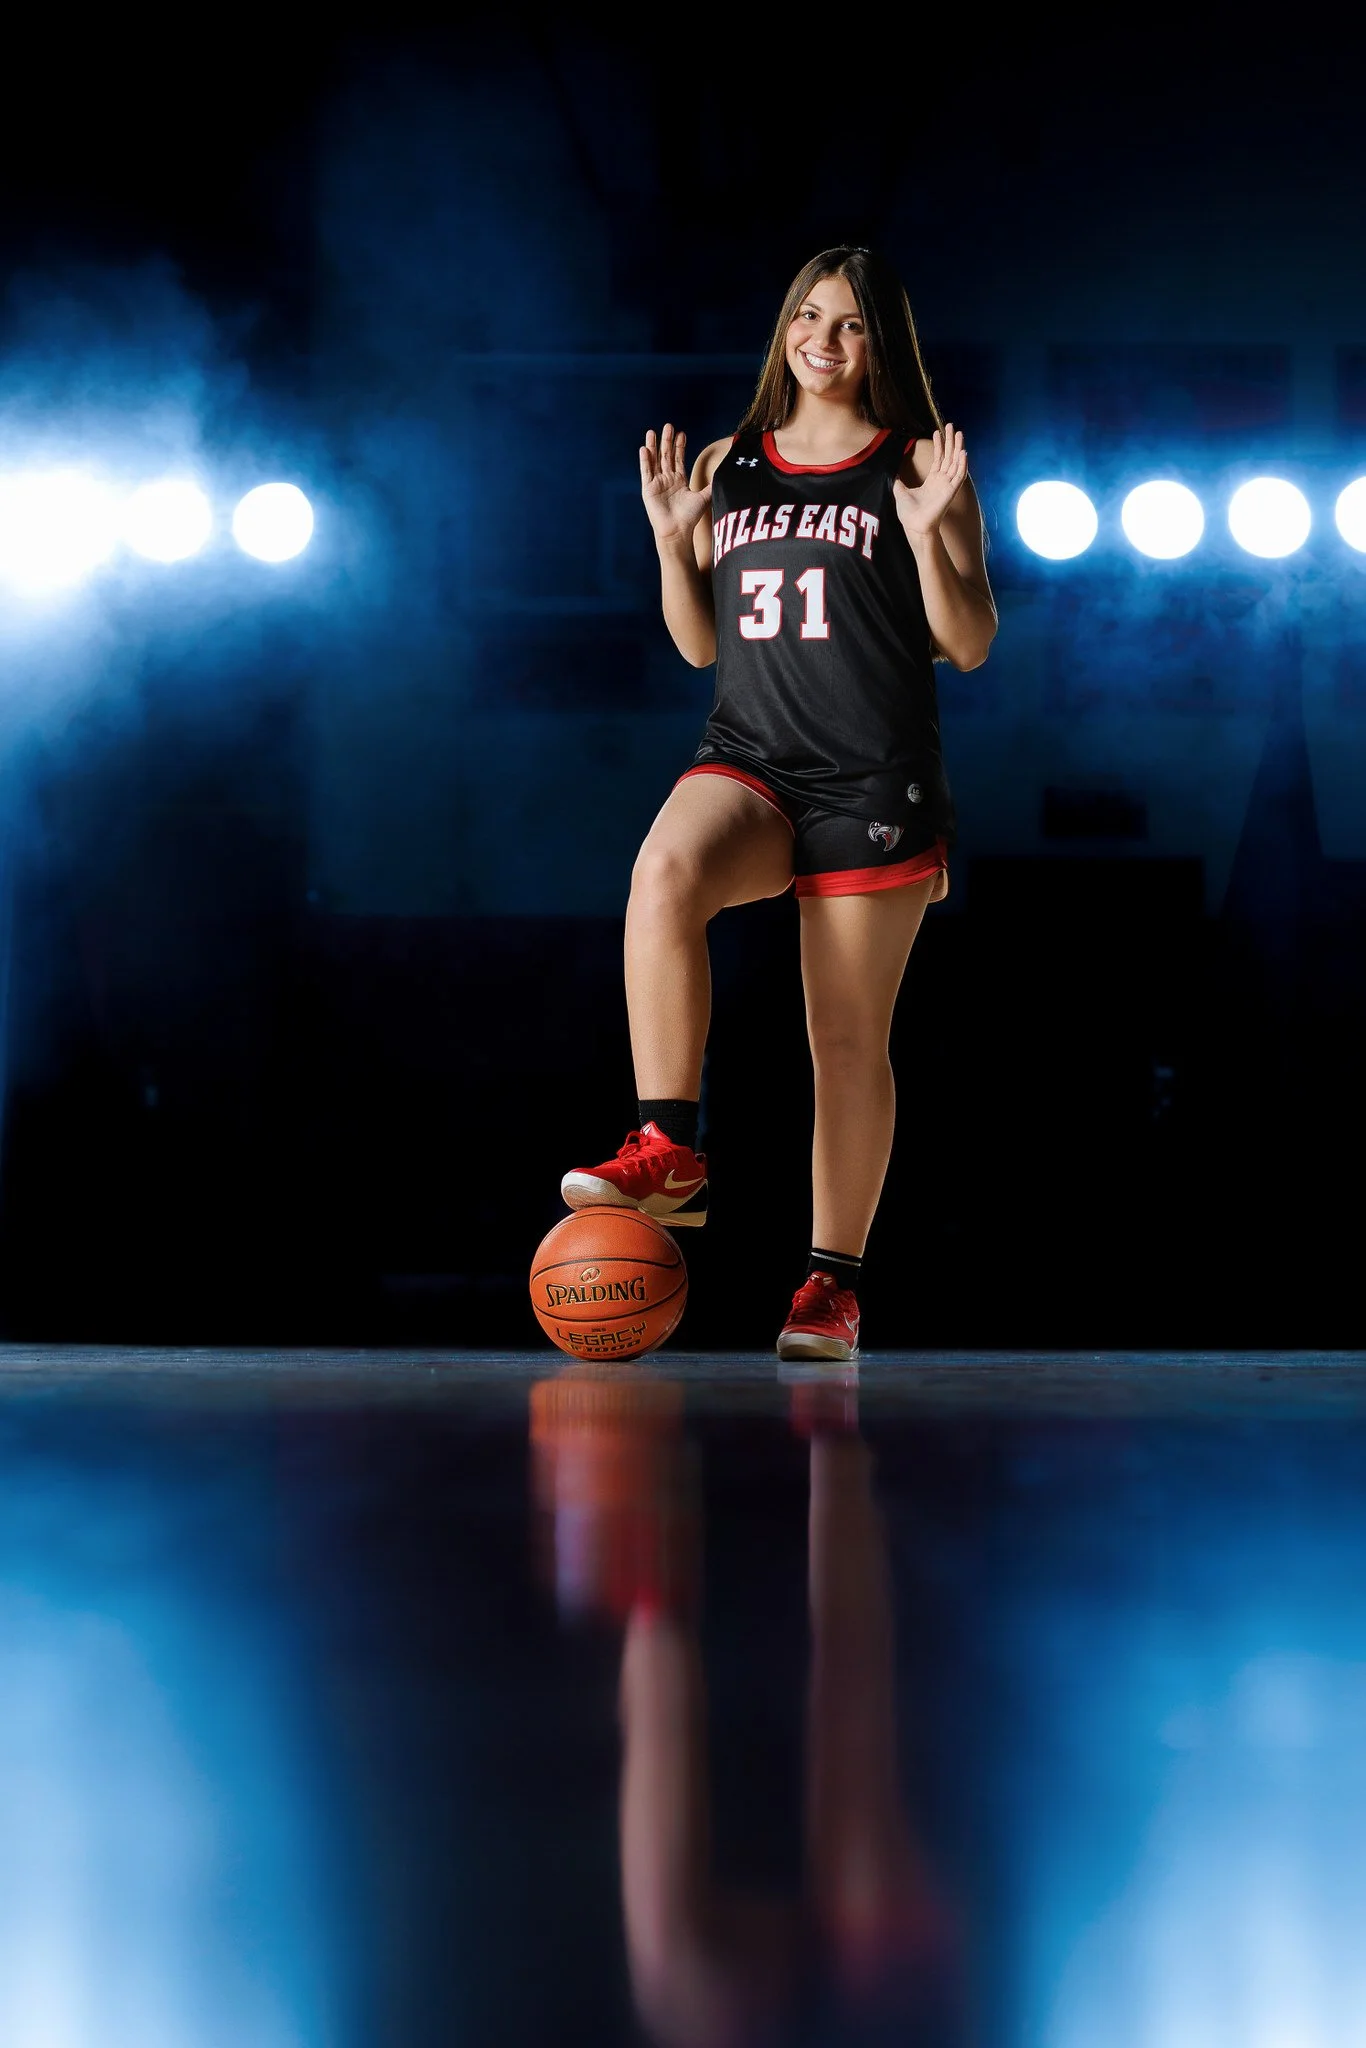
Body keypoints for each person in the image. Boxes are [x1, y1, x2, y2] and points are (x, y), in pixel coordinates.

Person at [561, 247, 996, 1359]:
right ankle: (669, 1148)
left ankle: (830, 1285)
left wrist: (928, 536)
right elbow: (700, 643)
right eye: (808, 315)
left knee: (843, 1040)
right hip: (751, 755)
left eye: (850, 323)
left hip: (873, 779)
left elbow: (969, 642)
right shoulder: (730, 461)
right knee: (664, 871)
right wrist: (673, 546)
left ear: (881, 343)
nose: (823, 340)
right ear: (783, 328)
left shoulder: (918, 465)